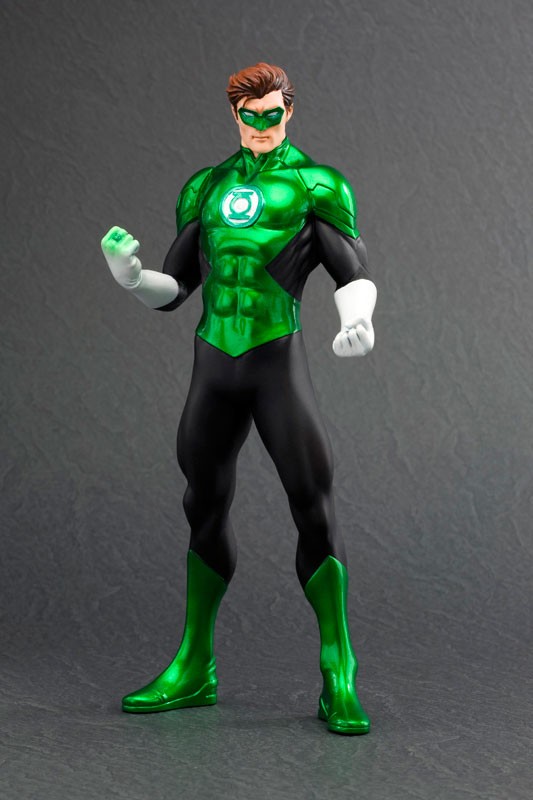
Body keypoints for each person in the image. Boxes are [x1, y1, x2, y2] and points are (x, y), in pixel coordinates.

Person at [101, 63, 377, 735]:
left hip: (276, 361)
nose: (260, 126)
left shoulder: (315, 185)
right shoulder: (207, 185)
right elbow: (176, 288)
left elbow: (351, 269)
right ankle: (194, 665)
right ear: (234, 115)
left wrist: (358, 319)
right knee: (202, 503)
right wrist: (132, 278)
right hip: (214, 364)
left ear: (289, 110)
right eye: (249, 116)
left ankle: (338, 671)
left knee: (312, 504)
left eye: (271, 114)